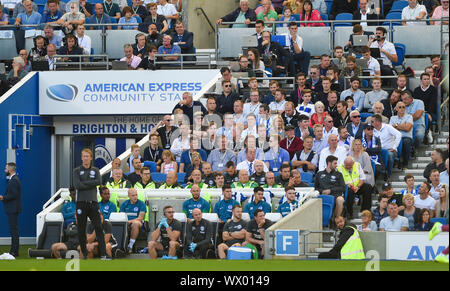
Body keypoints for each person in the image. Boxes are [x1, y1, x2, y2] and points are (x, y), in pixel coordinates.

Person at [72, 148, 109, 260]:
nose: (85, 158)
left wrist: (84, 183)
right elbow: (77, 186)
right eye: (84, 156)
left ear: (91, 158)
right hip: (81, 203)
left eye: (87, 156)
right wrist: (90, 184)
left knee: (98, 227)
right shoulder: (76, 171)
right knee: (81, 229)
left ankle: (103, 254)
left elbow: (99, 182)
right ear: (81, 157)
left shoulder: (96, 170)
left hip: (93, 203)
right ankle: (85, 254)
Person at [0, 162, 22, 257]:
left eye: (6, 169)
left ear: (10, 170)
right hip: (13, 208)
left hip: (12, 209)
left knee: (14, 231)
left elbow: (13, 194)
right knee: (14, 230)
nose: (5, 170)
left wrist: (3, 198)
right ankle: (14, 250)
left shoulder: (14, 180)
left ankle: (14, 251)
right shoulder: (14, 179)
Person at [371, 114, 402, 180]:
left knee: (389, 155)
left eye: (372, 121)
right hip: (378, 150)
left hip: (389, 149)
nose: (371, 123)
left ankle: (388, 175)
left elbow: (399, 134)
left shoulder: (388, 127)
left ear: (378, 122)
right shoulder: (372, 130)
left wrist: (394, 147)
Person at [120, 188, 146, 253]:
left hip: (138, 223)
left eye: (136, 195)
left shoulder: (141, 204)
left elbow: (141, 218)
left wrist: (129, 222)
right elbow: (121, 216)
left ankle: (130, 246)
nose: (135, 197)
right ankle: (119, 246)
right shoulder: (124, 204)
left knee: (135, 223)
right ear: (129, 196)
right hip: (126, 223)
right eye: (133, 195)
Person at [389, 101, 413, 170]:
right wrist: (403, 125)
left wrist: (396, 125)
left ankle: (405, 164)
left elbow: (407, 128)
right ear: (396, 109)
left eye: (403, 107)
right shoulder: (392, 118)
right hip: (395, 138)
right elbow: (390, 130)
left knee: (406, 141)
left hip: (406, 137)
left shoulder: (409, 117)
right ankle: (396, 161)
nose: (402, 109)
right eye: (400, 107)